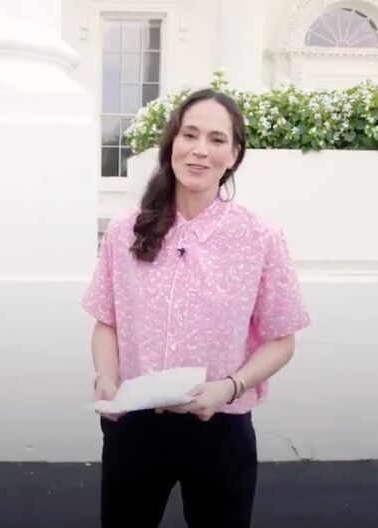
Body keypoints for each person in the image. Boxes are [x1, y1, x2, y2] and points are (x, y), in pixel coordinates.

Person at [83, 88, 311, 528]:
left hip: (220, 429)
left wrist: (228, 387)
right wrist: (106, 377)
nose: (199, 150)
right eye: (189, 135)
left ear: (234, 155)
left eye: (216, 139)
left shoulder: (259, 237)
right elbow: (105, 320)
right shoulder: (125, 229)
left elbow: (281, 341)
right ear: (172, 143)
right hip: (134, 425)